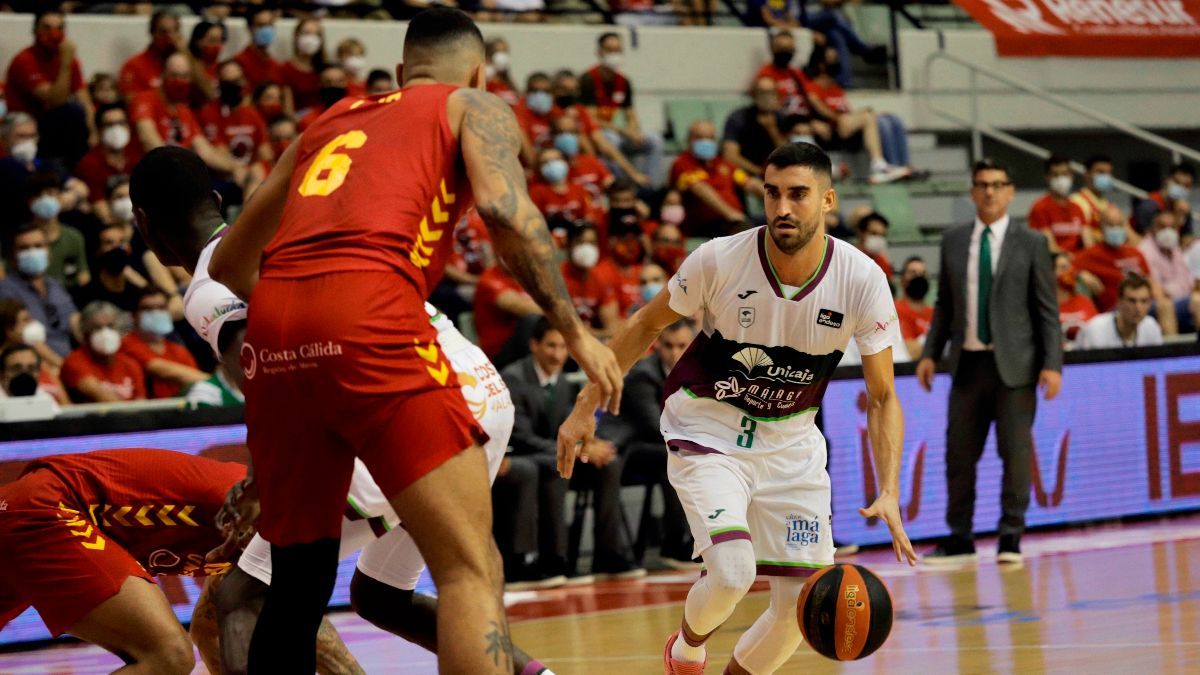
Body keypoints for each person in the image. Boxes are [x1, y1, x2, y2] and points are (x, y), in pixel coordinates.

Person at [206, 9, 621, 673]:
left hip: (273, 327)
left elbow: (228, 266)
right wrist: (575, 331)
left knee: (298, 583)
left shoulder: (329, 119)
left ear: (401, 72)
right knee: (465, 566)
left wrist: (308, 313)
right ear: (480, 72)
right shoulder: (472, 104)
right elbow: (503, 209)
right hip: (370, 309)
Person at [129, 145, 556, 675]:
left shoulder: (210, 283)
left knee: (238, 598)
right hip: (480, 386)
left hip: (418, 401)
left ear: (143, 225)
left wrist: (266, 479)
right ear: (218, 200)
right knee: (381, 594)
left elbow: (264, 373)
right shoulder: (290, 228)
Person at [559, 142, 917, 675]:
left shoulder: (862, 279)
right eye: (772, 193)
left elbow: (884, 396)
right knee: (731, 573)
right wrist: (586, 404)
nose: (782, 208)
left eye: (798, 195)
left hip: (791, 445)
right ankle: (685, 652)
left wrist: (888, 489)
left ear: (827, 201)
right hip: (708, 429)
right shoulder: (720, 258)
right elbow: (644, 325)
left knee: (801, 608)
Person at [918, 159, 1063, 565]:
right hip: (966, 364)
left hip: (1016, 367)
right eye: (982, 185)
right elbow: (944, 305)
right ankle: (960, 536)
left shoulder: (1032, 242)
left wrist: (1053, 363)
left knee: (1015, 454)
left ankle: (1011, 536)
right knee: (958, 455)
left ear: (1011, 191)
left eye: (998, 185)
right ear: (972, 192)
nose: (989, 192)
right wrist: (930, 353)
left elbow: (1047, 311)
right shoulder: (953, 240)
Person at [0, 449, 247, 673]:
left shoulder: (259, 527)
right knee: (169, 655)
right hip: (49, 508)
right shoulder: (262, 519)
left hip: (28, 507)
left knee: (169, 655)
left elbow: (210, 633)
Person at [500, 317, 644, 584]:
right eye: (551, 346)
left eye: (563, 347)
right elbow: (521, 437)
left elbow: (572, 427)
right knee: (555, 467)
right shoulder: (513, 378)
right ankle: (551, 559)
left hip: (553, 455)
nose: (557, 354)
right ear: (534, 345)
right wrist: (575, 451)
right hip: (524, 456)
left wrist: (589, 445)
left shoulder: (564, 381)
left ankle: (608, 553)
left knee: (608, 463)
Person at [607, 318, 698, 567]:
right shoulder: (643, 376)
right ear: (658, 345)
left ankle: (704, 539)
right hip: (629, 448)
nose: (675, 352)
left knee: (701, 456)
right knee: (679, 456)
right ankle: (675, 543)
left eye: (681, 346)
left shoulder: (698, 372)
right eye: (669, 346)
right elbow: (656, 426)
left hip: (667, 444)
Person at [4, 9, 93, 167]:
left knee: (78, 113)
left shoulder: (69, 59)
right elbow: (56, 100)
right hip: (25, 121)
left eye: (59, 28)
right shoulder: (24, 60)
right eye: (47, 27)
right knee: (70, 112)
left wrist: (93, 132)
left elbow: (84, 100)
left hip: (52, 122)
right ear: (35, 30)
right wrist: (66, 63)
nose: (54, 34)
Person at [580, 32, 665, 185]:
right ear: (599, 52)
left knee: (654, 140)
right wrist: (622, 131)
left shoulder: (624, 81)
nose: (614, 54)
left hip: (615, 131)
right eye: (609, 50)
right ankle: (620, 186)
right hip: (594, 134)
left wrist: (634, 131)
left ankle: (651, 186)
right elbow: (590, 119)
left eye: (618, 50)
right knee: (612, 139)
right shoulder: (588, 79)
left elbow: (631, 115)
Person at [669, 119, 764, 238]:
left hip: (737, 221)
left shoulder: (723, 164)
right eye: (699, 137)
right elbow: (700, 189)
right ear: (689, 140)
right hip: (706, 225)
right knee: (746, 232)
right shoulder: (682, 163)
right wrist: (731, 214)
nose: (705, 142)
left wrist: (774, 198)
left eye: (710, 138)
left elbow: (750, 183)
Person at [0, 222, 79, 358]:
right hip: (39, 364)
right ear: (13, 255)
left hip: (69, 360)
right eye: (24, 248)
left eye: (38, 246)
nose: (32, 252)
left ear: (48, 250)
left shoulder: (55, 286)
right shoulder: (5, 290)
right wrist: (63, 368)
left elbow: (74, 322)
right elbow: (25, 338)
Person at [121, 287, 206, 399]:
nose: (156, 313)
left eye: (161, 308)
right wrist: (214, 383)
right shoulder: (127, 343)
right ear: (134, 316)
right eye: (148, 309)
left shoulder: (178, 350)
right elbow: (163, 370)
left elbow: (194, 381)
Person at [1072, 204, 1153, 312]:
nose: (1116, 229)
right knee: (1164, 307)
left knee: (1166, 304)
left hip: (1144, 304)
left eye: (1119, 225)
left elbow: (1150, 281)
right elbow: (1063, 269)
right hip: (1117, 310)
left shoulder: (1135, 253)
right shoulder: (1090, 254)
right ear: (1101, 227)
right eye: (1110, 225)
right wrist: (1080, 274)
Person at [61, 300, 145, 402]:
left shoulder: (130, 364)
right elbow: (100, 396)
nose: (105, 332)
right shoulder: (75, 361)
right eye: (97, 328)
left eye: (110, 326)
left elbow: (141, 403)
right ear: (85, 332)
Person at [74, 104, 144, 223]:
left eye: (121, 123)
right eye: (109, 125)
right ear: (99, 130)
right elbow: (101, 210)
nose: (116, 129)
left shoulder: (138, 155)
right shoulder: (89, 163)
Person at [24, 171, 89, 290]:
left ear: (60, 197)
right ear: (29, 201)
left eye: (50, 194)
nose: (45, 200)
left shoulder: (74, 237)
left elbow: (83, 276)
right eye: (39, 195)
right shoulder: (21, 239)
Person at [1137, 210, 1199, 334]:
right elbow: (1156, 292)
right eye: (1163, 227)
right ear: (1153, 229)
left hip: (1183, 300)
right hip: (1161, 303)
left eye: (1172, 227)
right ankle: (1174, 352)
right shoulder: (1145, 250)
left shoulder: (1175, 249)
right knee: (1197, 301)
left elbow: (1190, 282)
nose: (1168, 231)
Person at [721, 77, 791, 177]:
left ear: (777, 95)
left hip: (776, 172)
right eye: (762, 92)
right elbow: (730, 156)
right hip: (746, 172)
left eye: (771, 92)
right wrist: (758, 171)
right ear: (753, 95)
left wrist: (772, 129)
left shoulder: (781, 117)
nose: (767, 97)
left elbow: (787, 155)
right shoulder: (739, 117)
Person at [561, 225, 621, 337]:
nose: (587, 248)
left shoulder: (601, 279)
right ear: (568, 245)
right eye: (580, 242)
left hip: (591, 339)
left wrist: (592, 334)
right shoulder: (557, 276)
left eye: (592, 243)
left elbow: (612, 328)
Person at [72, 222, 145, 314]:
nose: (117, 247)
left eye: (121, 242)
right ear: (98, 250)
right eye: (109, 243)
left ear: (129, 248)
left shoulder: (137, 289)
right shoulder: (86, 294)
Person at [1075, 275, 1163, 349]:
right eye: (1132, 301)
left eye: (1144, 301)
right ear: (1119, 302)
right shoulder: (1096, 329)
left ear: (1150, 303)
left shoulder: (1151, 326)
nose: (1138, 307)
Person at [1028, 155, 1089, 253]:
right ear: (1047, 178)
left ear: (1071, 176)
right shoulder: (1040, 207)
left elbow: (1088, 243)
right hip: (1055, 263)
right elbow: (1050, 248)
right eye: (1055, 175)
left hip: (1079, 264)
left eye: (1065, 174)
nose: (1061, 179)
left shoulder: (1077, 208)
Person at [119, 11, 183, 97]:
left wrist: (186, 53)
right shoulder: (133, 66)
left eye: (175, 31)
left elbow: (206, 94)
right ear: (152, 33)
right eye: (163, 32)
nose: (170, 37)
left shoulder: (188, 64)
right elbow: (132, 102)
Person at [281, 18, 328, 115]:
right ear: (296, 36)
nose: (311, 39)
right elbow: (288, 110)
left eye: (316, 34)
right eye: (306, 33)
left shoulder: (326, 69)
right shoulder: (286, 69)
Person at [1133, 162, 1194, 235]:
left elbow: (1187, 237)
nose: (1180, 188)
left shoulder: (1184, 209)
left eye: (1186, 185)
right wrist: (1177, 218)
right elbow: (1150, 238)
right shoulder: (1148, 205)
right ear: (1167, 180)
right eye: (1177, 182)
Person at [235, 7, 285, 91]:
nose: (266, 30)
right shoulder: (239, 63)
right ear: (249, 28)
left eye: (269, 25)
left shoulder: (276, 65)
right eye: (261, 25)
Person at [1053, 252, 1097, 344]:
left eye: (1069, 267)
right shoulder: (1044, 306)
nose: (1069, 272)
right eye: (1063, 268)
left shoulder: (1085, 301)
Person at [895, 256, 933, 358]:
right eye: (913, 273)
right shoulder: (894, 311)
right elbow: (910, 352)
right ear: (902, 280)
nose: (919, 277)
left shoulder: (935, 313)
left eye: (923, 273)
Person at [1070, 154, 1114, 237]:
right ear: (1087, 174)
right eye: (1101, 172)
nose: (1105, 177)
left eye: (1108, 173)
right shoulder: (1076, 202)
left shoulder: (1109, 205)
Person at [855, 210, 893, 280]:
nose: (878, 239)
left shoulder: (882, 262)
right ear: (861, 233)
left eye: (882, 235)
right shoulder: (849, 258)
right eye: (873, 233)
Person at [485, 37, 519, 107]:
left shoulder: (509, 84)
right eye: (497, 52)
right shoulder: (483, 82)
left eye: (505, 52)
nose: (502, 56)